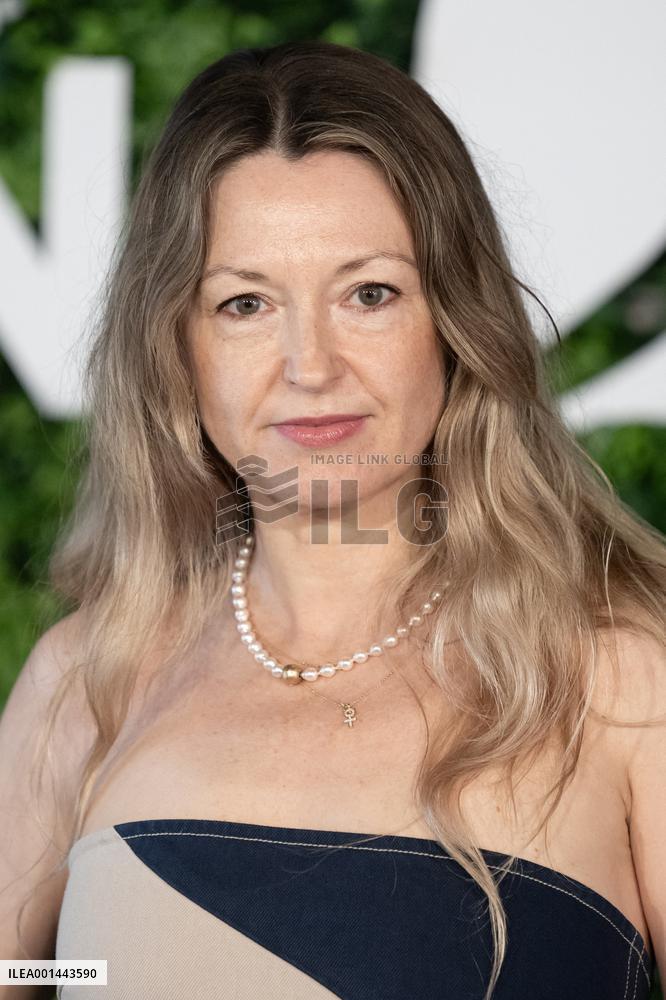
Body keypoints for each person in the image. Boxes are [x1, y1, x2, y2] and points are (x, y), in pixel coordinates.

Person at [0, 40, 664, 1000]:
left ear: (457, 321)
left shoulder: (621, 675)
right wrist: (104, 963)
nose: (310, 365)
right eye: (244, 304)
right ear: (175, 349)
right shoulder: (91, 676)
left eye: (369, 293)